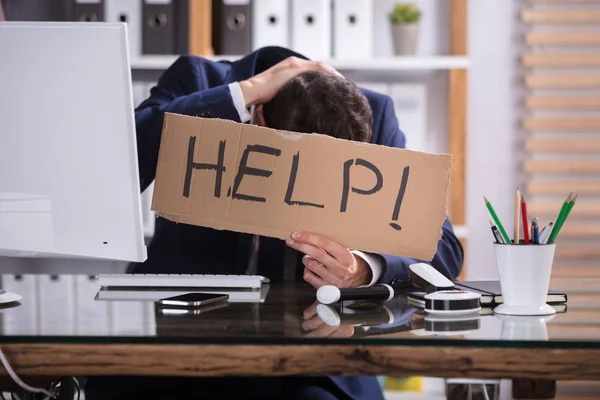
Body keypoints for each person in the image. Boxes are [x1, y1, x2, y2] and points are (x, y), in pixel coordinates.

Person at [85, 46, 463, 400]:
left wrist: (363, 269)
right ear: (261, 118)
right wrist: (243, 94)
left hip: (309, 365)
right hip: (178, 351)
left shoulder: (369, 115)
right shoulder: (198, 82)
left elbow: (441, 249)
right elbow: (113, 165)